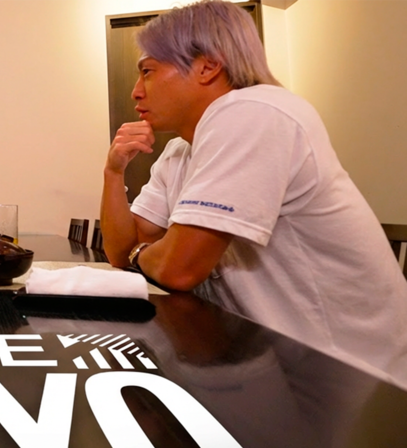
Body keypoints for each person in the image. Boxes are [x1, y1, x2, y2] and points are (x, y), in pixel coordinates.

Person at [100, 0, 407, 378]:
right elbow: (120, 251)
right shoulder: (180, 150)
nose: (136, 92)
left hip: (352, 373)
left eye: (148, 72)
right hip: (262, 358)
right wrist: (113, 171)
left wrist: (142, 252)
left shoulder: (254, 111)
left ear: (208, 66)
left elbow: (177, 269)